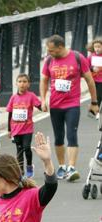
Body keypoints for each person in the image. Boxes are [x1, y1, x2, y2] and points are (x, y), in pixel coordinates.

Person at [40, 34, 99, 181]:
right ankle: (61, 166)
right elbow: (44, 81)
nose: (49, 53)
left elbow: (90, 80)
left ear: (61, 47)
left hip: (72, 104)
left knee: (72, 135)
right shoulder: (49, 60)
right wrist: (43, 99)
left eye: (52, 50)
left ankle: (72, 167)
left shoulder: (77, 58)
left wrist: (94, 101)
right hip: (55, 104)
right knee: (59, 137)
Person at [6, 74, 42, 178]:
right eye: (20, 81)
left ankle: (29, 166)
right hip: (16, 129)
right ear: (16, 84)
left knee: (26, 147)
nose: (22, 84)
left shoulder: (31, 96)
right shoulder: (13, 98)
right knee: (19, 150)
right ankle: (20, 170)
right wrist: (9, 130)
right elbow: (10, 114)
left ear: (28, 84)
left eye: (25, 81)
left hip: (27, 128)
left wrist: (44, 106)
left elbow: (39, 105)